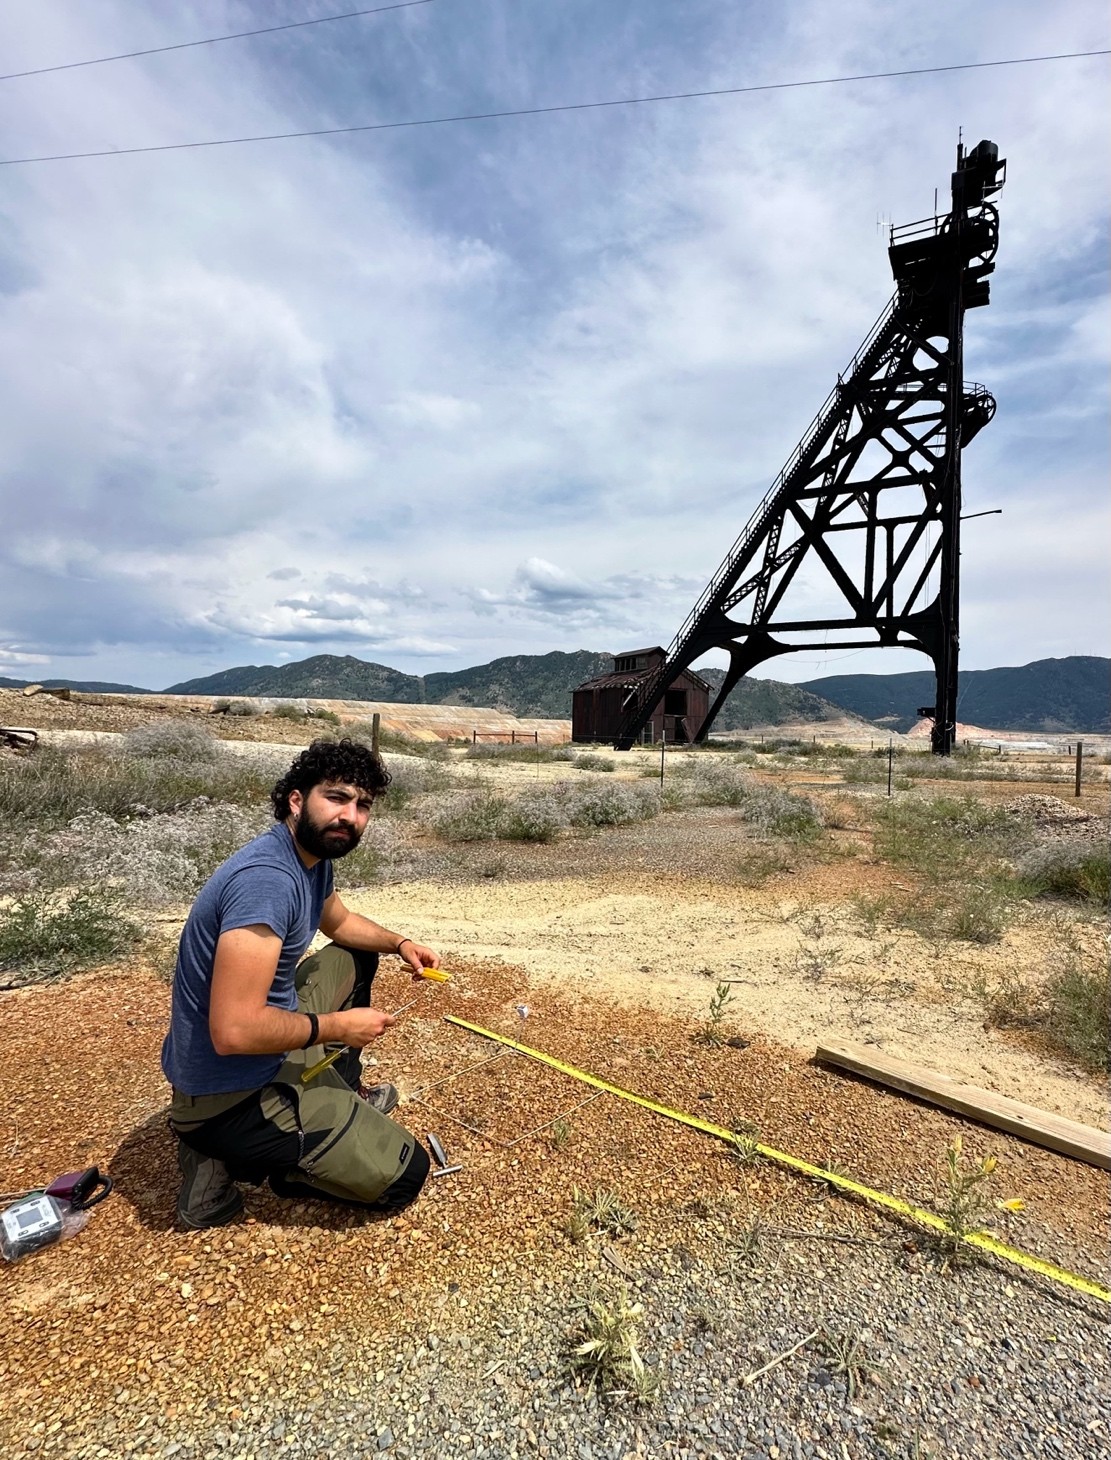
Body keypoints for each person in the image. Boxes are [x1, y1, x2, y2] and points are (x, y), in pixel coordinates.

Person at [160, 738, 440, 1229]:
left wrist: (400, 943)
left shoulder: (309, 859)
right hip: (228, 1094)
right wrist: (338, 1026)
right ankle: (229, 1162)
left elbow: (340, 923)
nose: (350, 816)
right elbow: (234, 1032)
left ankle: (339, 1092)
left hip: (256, 1049)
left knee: (358, 954)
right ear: (296, 800)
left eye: (363, 805)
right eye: (336, 797)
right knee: (403, 1176)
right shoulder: (266, 880)